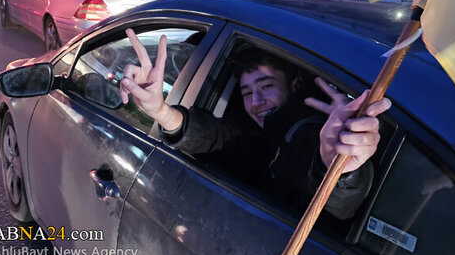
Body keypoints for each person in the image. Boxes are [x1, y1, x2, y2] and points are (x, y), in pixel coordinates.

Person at [119, 30, 390, 219]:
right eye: (247, 93)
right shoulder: (259, 132)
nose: (256, 101)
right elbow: (217, 136)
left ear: (294, 85)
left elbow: (341, 204)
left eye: (267, 86)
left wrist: (339, 166)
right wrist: (161, 111)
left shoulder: (308, 132)